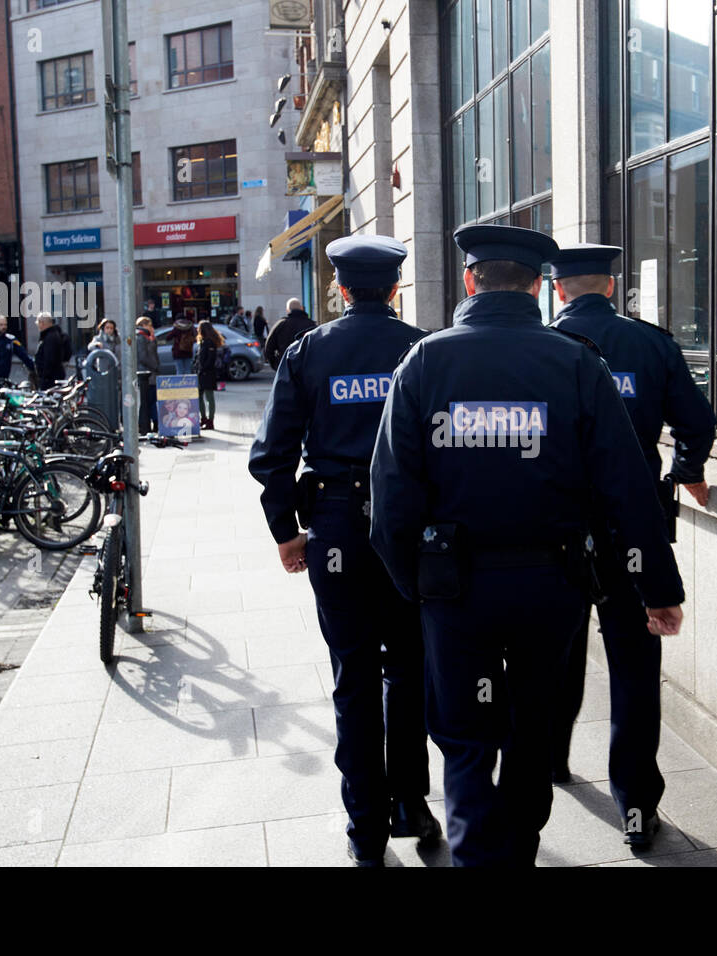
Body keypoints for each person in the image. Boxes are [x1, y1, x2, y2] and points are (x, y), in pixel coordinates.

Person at [369, 225, 686, 867]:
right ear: (540, 286)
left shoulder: (425, 362)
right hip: (553, 589)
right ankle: (516, 854)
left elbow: (391, 499)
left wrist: (417, 588)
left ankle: (476, 858)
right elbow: (628, 487)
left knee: (464, 741)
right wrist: (659, 588)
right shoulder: (575, 362)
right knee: (531, 732)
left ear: (469, 280)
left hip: (455, 592)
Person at [248, 235, 438, 867]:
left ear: (339, 287)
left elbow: (272, 454)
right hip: (407, 528)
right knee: (408, 666)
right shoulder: (420, 348)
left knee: (353, 675)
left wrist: (285, 532)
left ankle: (365, 828)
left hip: (335, 527)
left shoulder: (309, 351)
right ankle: (411, 801)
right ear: (394, 288)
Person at [546, 243, 717, 848]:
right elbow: (698, 422)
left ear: (560, 290)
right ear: (612, 288)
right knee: (636, 668)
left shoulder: (544, 346)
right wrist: (686, 469)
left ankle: (552, 760)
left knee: (554, 657)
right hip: (635, 526)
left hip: (561, 529)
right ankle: (637, 806)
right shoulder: (651, 344)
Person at [264, 297, 315, 371]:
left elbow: (268, 349)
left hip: (286, 367)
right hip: (307, 368)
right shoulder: (311, 325)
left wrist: (277, 365)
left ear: (287, 310)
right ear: (301, 308)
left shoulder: (280, 324)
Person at [194, 320, 223, 431]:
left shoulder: (209, 342)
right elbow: (199, 359)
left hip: (207, 373)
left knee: (209, 397)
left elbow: (210, 359)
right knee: (199, 397)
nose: (197, 330)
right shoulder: (203, 342)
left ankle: (210, 421)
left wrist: (203, 369)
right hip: (201, 373)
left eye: (199, 328)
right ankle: (204, 419)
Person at [136, 315, 161, 435]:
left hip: (152, 374)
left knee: (152, 400)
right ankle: (145, 425)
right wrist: (154, 366)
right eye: (148, 325)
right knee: (147, 400)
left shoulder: (150, 338)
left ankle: (155, 423)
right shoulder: (140, 338)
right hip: (146, 374)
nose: (151, 327)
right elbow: (143, 357)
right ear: (142, 326)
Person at [33, 312, 70, 389]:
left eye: (38, 323)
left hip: (50, 380)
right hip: (53, 377)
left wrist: (44, 377)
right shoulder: (53, 334)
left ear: (42, 323)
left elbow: (49, 360)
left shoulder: (50, 337)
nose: (38, 326)